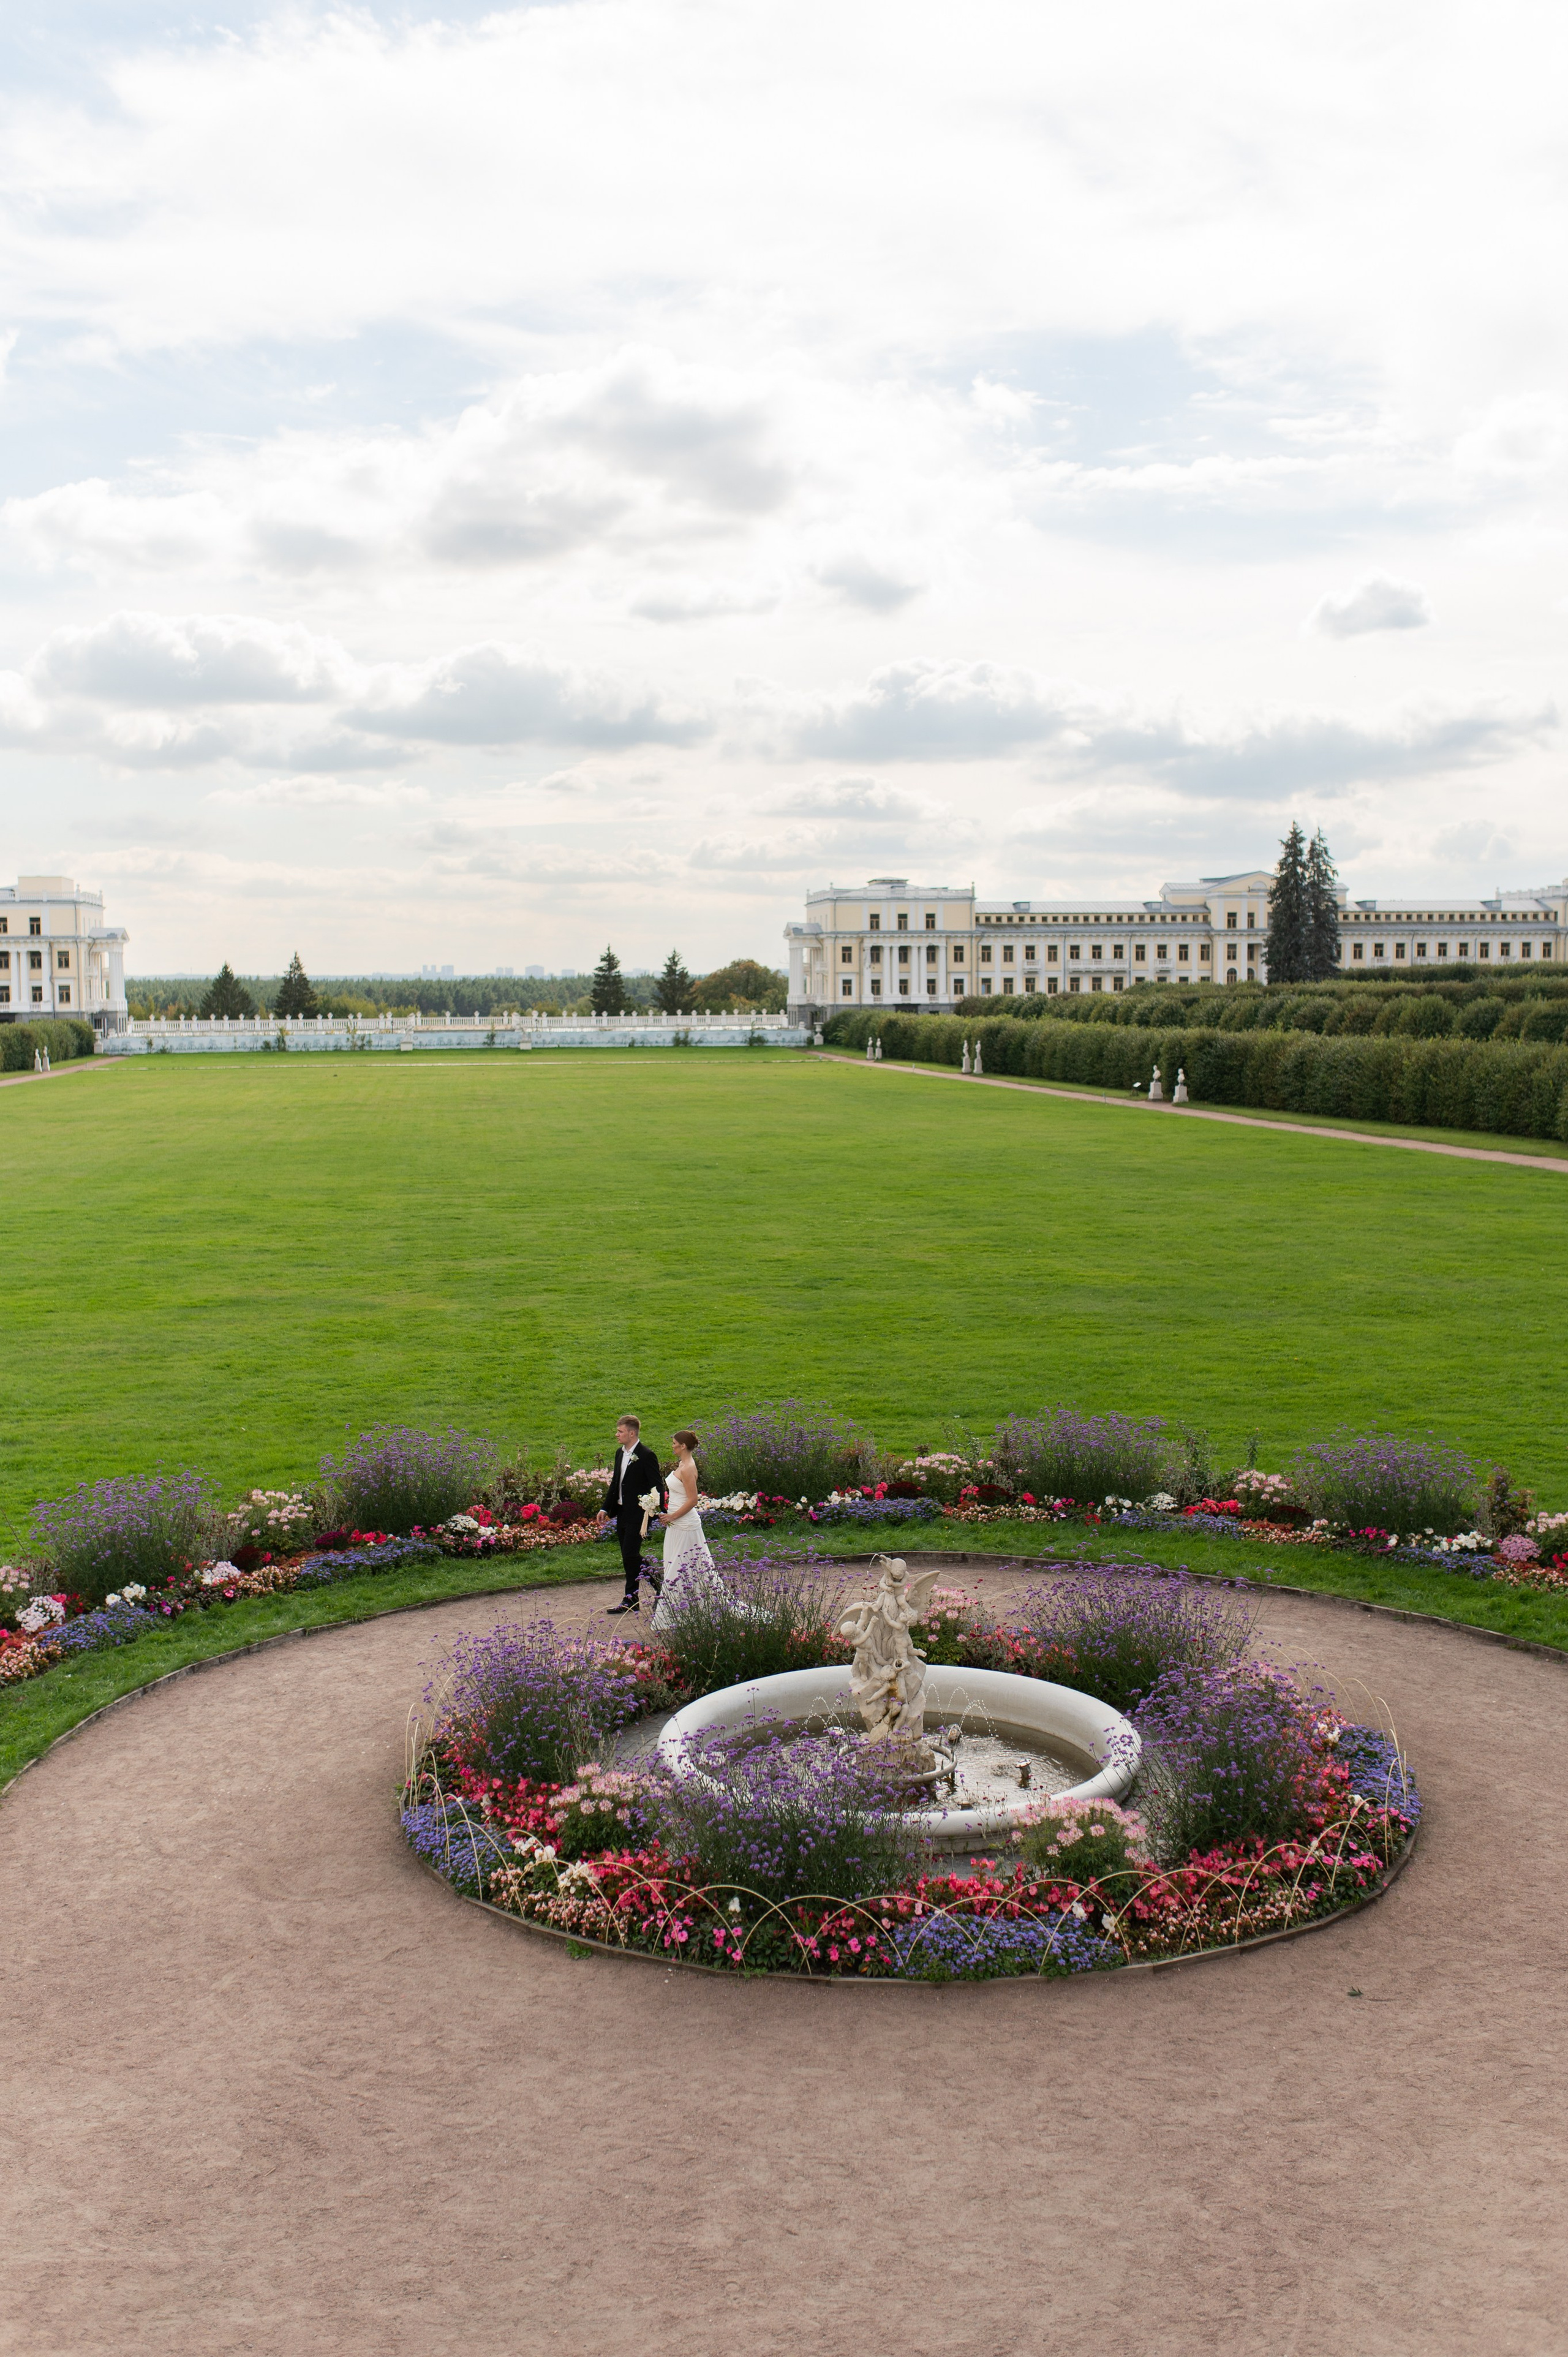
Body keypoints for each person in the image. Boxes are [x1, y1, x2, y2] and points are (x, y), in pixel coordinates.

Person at [652, 1428, 721, 1633]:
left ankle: (677, 1614)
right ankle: (684, 1612)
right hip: (675, 1524)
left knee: (683, 1567)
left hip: (685, 1524)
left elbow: (693, 1500)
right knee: (675, 1565)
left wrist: (672, 1516)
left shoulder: (689, 1467)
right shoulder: (682, 1464)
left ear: (683, 1446)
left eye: (674, 1443)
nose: (672, 1446)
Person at [596, 1415, 666, 1615]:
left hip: (640, 1514)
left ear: (632, 1433)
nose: (617, 1434)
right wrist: (605, 1508)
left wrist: (653, 1509)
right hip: (622, 1512)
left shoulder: (646, 1455)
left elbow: (657, 1487)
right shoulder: (620, 1453)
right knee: (628, 1557)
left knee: (630, 1554)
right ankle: (632, 1598)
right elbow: (616, 1483)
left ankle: (654, 1587)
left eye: (620, 1431)